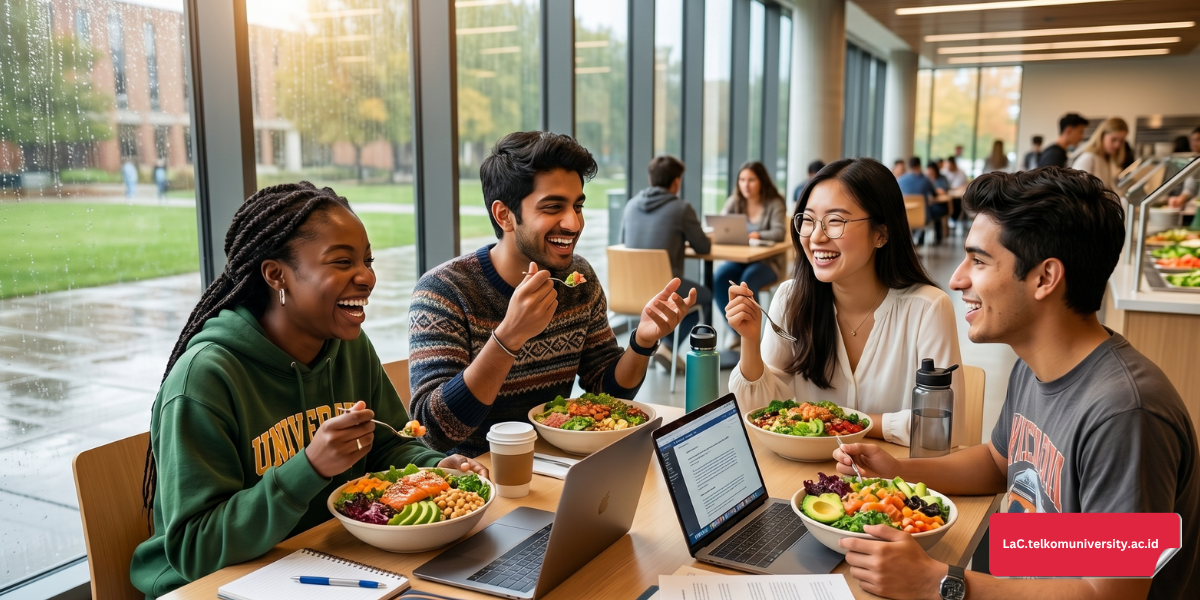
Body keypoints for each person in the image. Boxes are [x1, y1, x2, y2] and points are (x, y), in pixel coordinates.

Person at [833, 168, 1198, 600]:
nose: (957, 278)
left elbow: (1110, 592)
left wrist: (939, 583)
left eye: (980, 260)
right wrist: (900, 473)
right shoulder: (1034, 364)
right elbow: (999, 461)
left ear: (1045, 278)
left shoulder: (1126, 413)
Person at [130, 182, 487, 598]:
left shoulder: (348, 348)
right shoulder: (206, 379)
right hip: (215, 586)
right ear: (276, 274)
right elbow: (195, 549)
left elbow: (389, 445)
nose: (367, 277)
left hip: (325, 562)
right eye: (342, 262)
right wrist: (310, 467)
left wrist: (433, 469)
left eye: (367, 261)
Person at [408, 132, 696, 456]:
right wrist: (508, 338)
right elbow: (432, 432)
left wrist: (642, 342)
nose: (573, 223)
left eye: (577, 206)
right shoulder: (444, 292)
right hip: (481, 482)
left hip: (557, 465)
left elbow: (605, 387)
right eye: (553, 207)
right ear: (504, 215)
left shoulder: (578, 279)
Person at [727, 158, 964, 447]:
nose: (816, 237)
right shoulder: (792, 298)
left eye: (835, 221)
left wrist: (841, 423)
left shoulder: (928, 309)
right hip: (803, 479)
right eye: (809, 220)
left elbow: (941, 426)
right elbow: (759, 413)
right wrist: (749, 342)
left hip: (888, 483)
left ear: (881, 233)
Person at [621, 154, 712, 368]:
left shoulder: (631, 205)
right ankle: (669, 347)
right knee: (704, 295)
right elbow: (703, 247)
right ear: (676, 181)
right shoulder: (681, 209)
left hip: (630, 289)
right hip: (664, 291)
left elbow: (622, 244)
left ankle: (651, 347)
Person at [713, 161, 789, 348]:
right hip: (741, 260)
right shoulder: (735, 201)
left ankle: (753, 339)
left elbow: (779, 232)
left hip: (768, 263)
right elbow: (722, 224)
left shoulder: (774, 202)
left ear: (761, 181)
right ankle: (736, 331)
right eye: (742, 180)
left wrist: (758, 234)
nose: (746, 185)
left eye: (751, 180)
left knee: (747, 280)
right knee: (720, 277)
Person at [1071, 117, 1128, 191]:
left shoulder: (1107, 159)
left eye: (1121, 141)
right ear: (1102, 136)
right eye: (1113, 139)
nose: (1117, 145)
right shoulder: (1088, 157)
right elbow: (1077, 190)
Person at [898, 157, 945, 245]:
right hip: (922, 218)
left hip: (903, 216)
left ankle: (916, 240)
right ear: (919, 166)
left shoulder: (900, 180)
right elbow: (934, 194)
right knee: (938, 211)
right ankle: (934, 239)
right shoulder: (926, 180)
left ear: (909, 166)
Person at [1167, 126, 1200, 215]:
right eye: (1192, 140)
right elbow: (1192, 184)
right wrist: (1181, 199)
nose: (1194, 143)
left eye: (1197, 140)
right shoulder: (1194, 160)